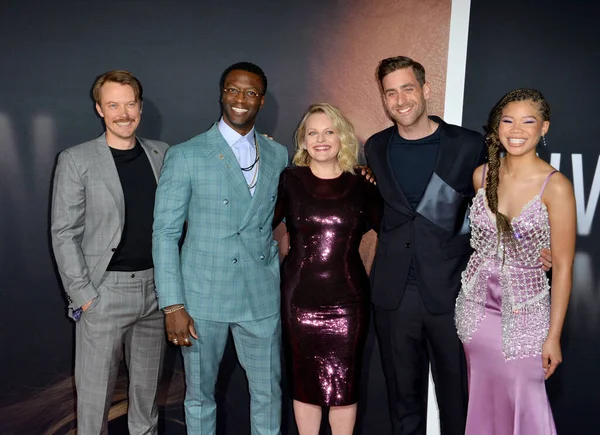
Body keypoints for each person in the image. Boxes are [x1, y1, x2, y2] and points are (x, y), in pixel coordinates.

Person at [363, 56, 552, 435]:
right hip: (393, 296)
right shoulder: (376, 147)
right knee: (402, 406)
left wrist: (530, 247)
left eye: (408, 89)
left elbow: (500, 202)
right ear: (383, 99)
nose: (400, 100)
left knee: (460, 405)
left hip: (454, 294)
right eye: (390, 93)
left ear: (425, 89)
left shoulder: (467, 145)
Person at [152, 62, 288, 434]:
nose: (240, 99)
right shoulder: (187, 154)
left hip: (260, 296)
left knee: (269, 395)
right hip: (202, 297)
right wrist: (173, 304)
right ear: (221, 94)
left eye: (250, 92)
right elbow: (165, 234)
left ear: (261, 100)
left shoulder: (278, 155)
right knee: (199, 397)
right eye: (233, 89)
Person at [50, 70, 168, 434]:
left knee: (147, 404)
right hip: (104, 294)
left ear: (140, 107)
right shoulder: (77, 159)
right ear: (99, 109)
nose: (123, 114)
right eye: (113, 105)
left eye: (130, 104)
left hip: (156, 292)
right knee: (93, 405)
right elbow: (64, 232)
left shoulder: (162, 154)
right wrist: (84, 296)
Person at [455, 88, 575, 434]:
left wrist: (553, 336)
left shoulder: (556, 186)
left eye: (528, 121)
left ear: (544, 127)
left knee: (527, 407)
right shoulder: (481, 176)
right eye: (508, 121)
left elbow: (563, 267)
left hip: (526, 318)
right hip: (475, 315)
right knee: (483, 404)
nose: (517, 130)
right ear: (497, 126)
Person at [273, 103, 382, 435]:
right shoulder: (289, 180)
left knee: (344, 387)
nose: (321, 139)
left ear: (342, 137)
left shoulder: (362, 184)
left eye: (329, 131)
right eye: (313, 133)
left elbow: (393, 230)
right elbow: (259, 225)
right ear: (303, 141)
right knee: (304, 384)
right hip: (299, 302)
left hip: (348, 304)